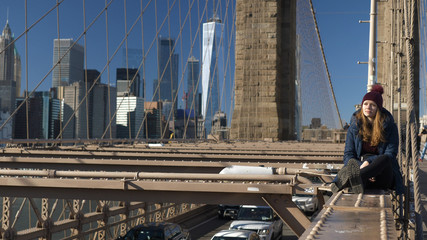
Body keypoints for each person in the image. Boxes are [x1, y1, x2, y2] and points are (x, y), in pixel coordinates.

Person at [331, 84, 404, 195]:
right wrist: (361, 165)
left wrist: (369, 163)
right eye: (365, 104)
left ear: (378, 108)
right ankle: (357, 178)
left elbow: (391, 153)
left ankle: (347, 180)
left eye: (372, 105)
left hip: (383, 176)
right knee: (351, 162)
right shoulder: (354, 127)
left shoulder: (390, 127)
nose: (368, 107)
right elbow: (348, 154)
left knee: (385, 159)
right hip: (362, 178)